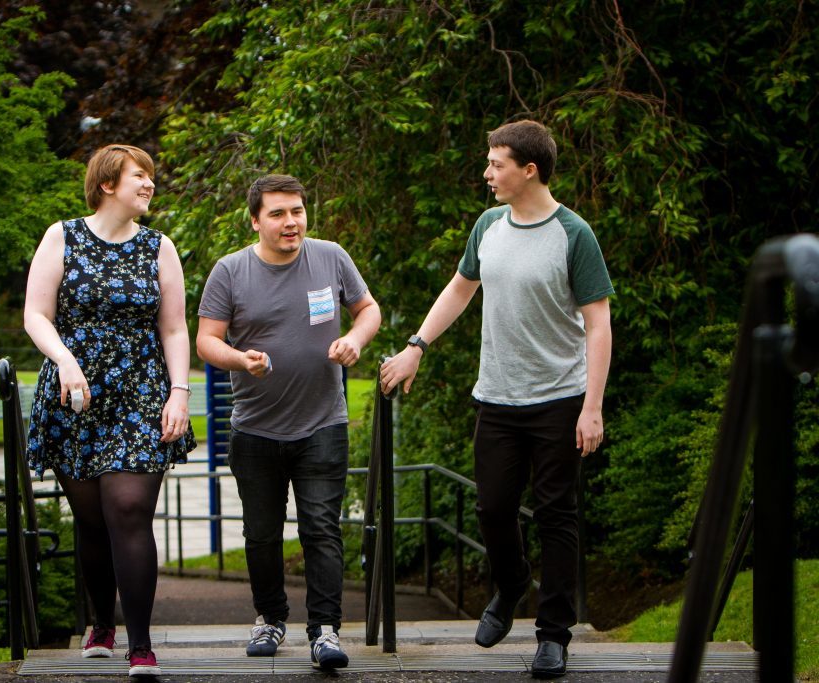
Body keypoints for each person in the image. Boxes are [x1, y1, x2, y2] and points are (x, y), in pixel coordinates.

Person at [380, 121, 613, 679]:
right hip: (498, 399)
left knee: (558, 515)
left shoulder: (573, 234)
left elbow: (598, 325)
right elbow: (460, 289)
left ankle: (553, 635)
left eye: (496, 164)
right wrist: (417, 346)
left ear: (528, 170)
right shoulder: (488, 225)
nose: (486, 173)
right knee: (491, 508)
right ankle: (511, 585)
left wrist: (592, 407)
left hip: (560, 398)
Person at [24, 144, 196, 677]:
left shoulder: (158, 247)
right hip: (75, 394)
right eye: (138, 176)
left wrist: (180, 391)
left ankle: (141, 645)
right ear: (107, 184)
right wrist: (66, 362)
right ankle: (102, 620)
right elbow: (35, 314)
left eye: (150, 176)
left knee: (127, 509)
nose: (149, 184)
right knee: (93, 520)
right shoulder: (62, 237)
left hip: (141, 391)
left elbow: (173, 327)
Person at [197, 174, 381, 670]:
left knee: (322, 528)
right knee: (260, 533)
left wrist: (356, 340)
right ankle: (270, 619)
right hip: (255, 428)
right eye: (277, 213)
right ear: (255, 220)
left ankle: (325, 630)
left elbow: (368, 310)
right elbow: (207, 340)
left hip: (323, 423)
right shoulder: (230, 271)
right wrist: (240, 360)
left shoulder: (331, 256)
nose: (291, 222)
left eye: (297, 211)